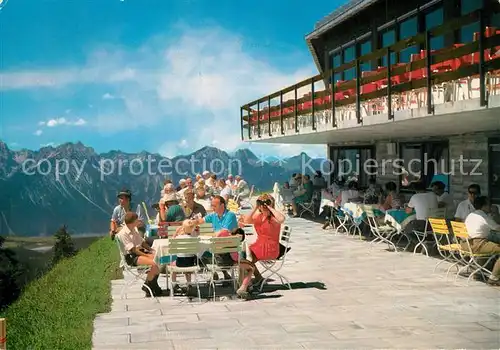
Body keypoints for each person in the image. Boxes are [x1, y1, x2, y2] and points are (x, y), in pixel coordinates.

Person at [237, 194, 286, 298]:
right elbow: (246, 221)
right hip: (259, 247)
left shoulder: (273, 218)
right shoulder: (259, 216)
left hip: (271, 249)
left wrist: (270, 207)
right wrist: (255, 207)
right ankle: (247, 284)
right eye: (261, 203)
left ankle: (245, 285)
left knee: (245, 257)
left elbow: (282, 219)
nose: (263, 205)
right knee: (244, 256)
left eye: (266, 203)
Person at [116, 212, 163, 297]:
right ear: (132, 222)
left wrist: (151, 250)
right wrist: (147, 255)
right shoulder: (123, 233)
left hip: (138, 253)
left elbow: (142, 242)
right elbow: (133, 249)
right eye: (137, 220)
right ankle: (150, 286)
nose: (138, 221)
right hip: (131, 257)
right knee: (154, 263)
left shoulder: (133, 229)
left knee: (159, 259)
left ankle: (149, 285)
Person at [464, 196, 500, 286]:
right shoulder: (483, 216)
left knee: (489, 246)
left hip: (466, 244)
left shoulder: (471, 215)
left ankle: (478, 272)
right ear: (484, 206)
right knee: (489, 246)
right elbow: (497, 227)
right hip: (477, 245)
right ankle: (494, 278)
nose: (491, 207)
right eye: (489, 205)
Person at [170, 219, 199, 293]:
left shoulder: (178, 238)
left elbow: (172, 241)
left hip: (180, 263)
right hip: (191, 263)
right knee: (188, 267)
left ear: (182, 228)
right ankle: (189, 284)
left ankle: (174, 284)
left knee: (172, 264)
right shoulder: (194, 239)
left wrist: (176, 232)